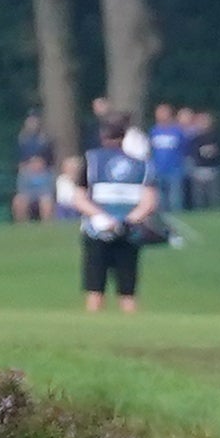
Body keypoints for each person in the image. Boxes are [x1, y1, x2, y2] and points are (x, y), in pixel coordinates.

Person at [70, 111, 157, 311]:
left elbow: (79, 198)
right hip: (129, 232)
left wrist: (102, 217)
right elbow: (149, 202)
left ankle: (93, 335)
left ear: (102, 134)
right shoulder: (142, 165)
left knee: (94, 291)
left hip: (96, 230)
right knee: (128, 293)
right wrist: (126, 221)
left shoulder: (91, 160)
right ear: (125, 135)